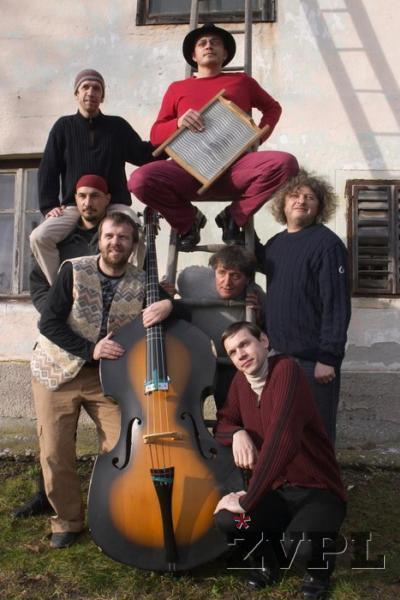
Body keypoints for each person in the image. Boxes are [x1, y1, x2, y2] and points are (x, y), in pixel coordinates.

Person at [29, 212, 183, 549]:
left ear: (133, 244)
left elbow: (173, 310)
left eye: (123, 237)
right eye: (109, 236)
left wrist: (169, 305)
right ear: (98, 240)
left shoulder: (142, 282)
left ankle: (113, 512)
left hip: (106, 380)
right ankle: (67, 521)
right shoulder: (73, 269)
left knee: (122, 447)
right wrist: (91, 349)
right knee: (55, 452)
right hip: (56, 371)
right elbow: (49, 323)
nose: (116, 242)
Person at [129, 23, 298, 251]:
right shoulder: (177, 88)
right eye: (202, 43)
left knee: (286, 164)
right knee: (139, 180)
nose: (209, 46)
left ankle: (233, 217)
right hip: (188, 172)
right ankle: (188, 221)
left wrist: (257, 138)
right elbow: (156, 136)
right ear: (194, 55)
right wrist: (178, 123)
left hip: (235, 171)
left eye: (215, 43)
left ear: (225, 53)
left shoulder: (242, 81)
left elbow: (272, 108)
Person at [213, 322, 347, 599]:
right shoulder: (241, 382)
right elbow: (223, 422)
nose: (240, 354)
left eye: (245, 344)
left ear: (263, 341)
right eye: (233, 351)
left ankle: (318, 572)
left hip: (317, 489)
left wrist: (248, 499)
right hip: (275, 491)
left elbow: (281, 441)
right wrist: (237, 433)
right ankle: (267, 560)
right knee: (230, 520)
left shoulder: (286, 371)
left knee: (302, 544)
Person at [13, 174, 112, 519]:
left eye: (95, 196)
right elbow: (39, 285)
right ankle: (48, 498)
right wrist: (59, 313)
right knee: (53, 437)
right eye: (82, 196)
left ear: (106, 199)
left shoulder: (116, 238)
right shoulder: (57, 240)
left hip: (103, 361)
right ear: (75, 200)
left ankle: (111, 503)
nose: (88, 203)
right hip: (59, 351)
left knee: (116, 438)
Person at [30, 68, 156, 284]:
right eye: (85, 87)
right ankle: (61, 288)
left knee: (137, 233)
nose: (91, 92)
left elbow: (143, 154)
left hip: (114, 204)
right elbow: (49, 167)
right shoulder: (63, 127)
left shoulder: (117, 127)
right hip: (74, 205)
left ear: (102, 96)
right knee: (39, 237)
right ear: (76, 94)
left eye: (97, 88)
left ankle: (129, 287)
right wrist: (49, 205)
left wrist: (174, 137)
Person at [256, 170, 351, 444]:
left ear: (320, 207)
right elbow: (258, 267)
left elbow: (337, 305)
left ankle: (323, 476)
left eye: (310, 197)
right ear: (283, 204)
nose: (301, 201)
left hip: (313, 362)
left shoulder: (327, 245)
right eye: (295, 195)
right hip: (276, 357)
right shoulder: (275, 245)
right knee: (282, 435)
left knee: (316, 435)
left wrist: (328, 358)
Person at [164, 245, 265, 408]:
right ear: (214, 270)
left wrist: (258, 317)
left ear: (248, 279)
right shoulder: (191, 279)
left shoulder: (255, 296)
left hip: (229, 364)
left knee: (231, 405)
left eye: (236, 276)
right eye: (222, 273)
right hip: (192, 359)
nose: (227, 282)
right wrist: (164, 293)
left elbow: (264, 339)